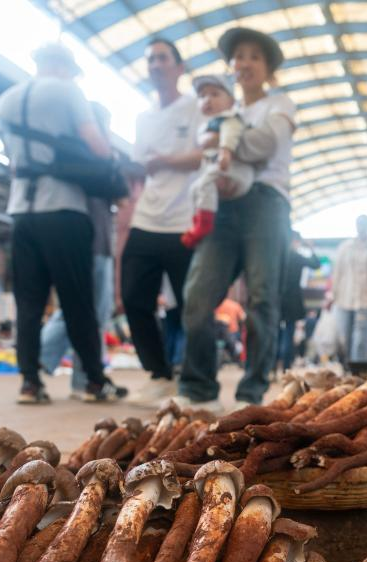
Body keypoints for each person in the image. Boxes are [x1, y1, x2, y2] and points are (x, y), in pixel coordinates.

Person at [0, 43, 124, 404]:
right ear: (65, 66)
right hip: (64, 208)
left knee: (29, 303)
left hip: (21, 210)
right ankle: (94, 381)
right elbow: (98, 147)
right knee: (77, 300)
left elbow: (11, 158)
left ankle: (30, 382)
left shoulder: (5, 99)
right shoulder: (68, 91)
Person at [177, 27, 297, 410]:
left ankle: (251, 393)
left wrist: (221, 140)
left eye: (254, 57)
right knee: (197, 296)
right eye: (239, 56)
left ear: (268, 68)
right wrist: (220, 140)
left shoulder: (281, 105)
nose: (244, 63)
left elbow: (266, 145)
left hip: (267, 203)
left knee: (263, 298)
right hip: (224, 206)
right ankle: (198, 388)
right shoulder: (228, 110)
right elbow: (212, 151)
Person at [122, 37, 203, 405]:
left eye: (162, 58)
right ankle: (158, 373)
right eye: (150, 59)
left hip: (185, 219)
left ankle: (197, 378)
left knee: (190, 306)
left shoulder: (196, 108)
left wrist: (168, 159)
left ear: (178, 66)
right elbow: (143, 164)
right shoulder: (144, 116)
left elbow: (204, 155)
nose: (155, 65)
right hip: (147, 217)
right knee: (134, 297)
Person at [39, 102, 119, 399]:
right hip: (91, 242)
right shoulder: (86, 155)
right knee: (87, 312)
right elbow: (117, 190)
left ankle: (78, 376)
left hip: (94, 243)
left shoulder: (77, 155)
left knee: (82, 310)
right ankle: (76, 374)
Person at [180, 73, 255, 248]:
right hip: (221, 172)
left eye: (215, 94)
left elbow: (230, 135)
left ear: (231, 101)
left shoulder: (229, 119)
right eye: (202, 96)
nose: (207, 99)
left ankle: (204, 225)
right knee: (194, 189)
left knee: (203, 184)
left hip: (234, 171)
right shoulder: (207, 125)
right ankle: (196, 222)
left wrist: (225, 152)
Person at [333, 215, 367, 363]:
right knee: (345, 338)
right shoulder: (345, 247)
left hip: (365, 300)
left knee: (361, 339)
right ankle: (346, 371)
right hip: (344, 299)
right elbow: (337, 272)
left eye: (364, 224)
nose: (361, 227)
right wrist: (333, 295)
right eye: (359, 224)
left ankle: (357, 371)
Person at [279, 231, 320, 371]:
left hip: (278, 298)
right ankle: (285, 367)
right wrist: (311, 248)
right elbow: (316, 264)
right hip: (293, 300)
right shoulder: (297, 257)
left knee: (276, 334)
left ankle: (272, 368)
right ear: (295, 241)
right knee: (289, 334)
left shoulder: (280, 256)